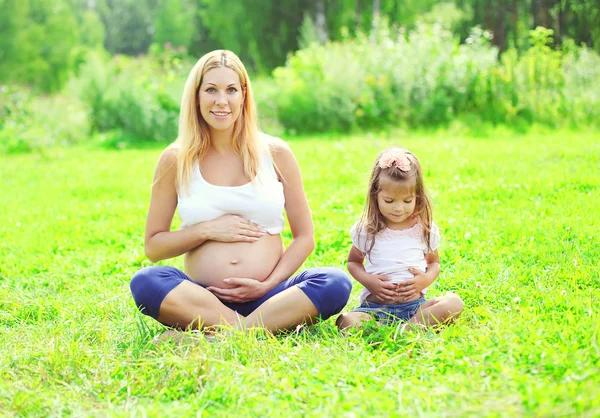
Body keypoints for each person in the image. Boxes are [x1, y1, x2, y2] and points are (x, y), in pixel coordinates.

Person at [129, 50, 352, 334]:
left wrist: (267, 284)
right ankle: (255, 331)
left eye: (231, 90)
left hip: (270, 296)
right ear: (196, 96)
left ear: (243, 95)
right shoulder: (175, 159)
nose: (221, 101)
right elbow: (154, 247)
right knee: (146, 281)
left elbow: (305, 237)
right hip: (202, 298)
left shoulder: (276, 153)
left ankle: (224, 334)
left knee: (334, 282)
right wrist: (207, 230)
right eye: (211, 89)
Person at [336, 147, 463, 331]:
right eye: (389, 201)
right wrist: (369, 281)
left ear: (417, 197)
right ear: (375, 196)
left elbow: (434, 263)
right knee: (346, 320)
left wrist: (424, 280)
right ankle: (392, 328)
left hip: (415, 308)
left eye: (407, 201)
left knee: (454, 302)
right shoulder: (367, 229)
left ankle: (407, 328)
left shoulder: (423, 229)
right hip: (375, 308)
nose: (398, 208)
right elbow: (353, 262)